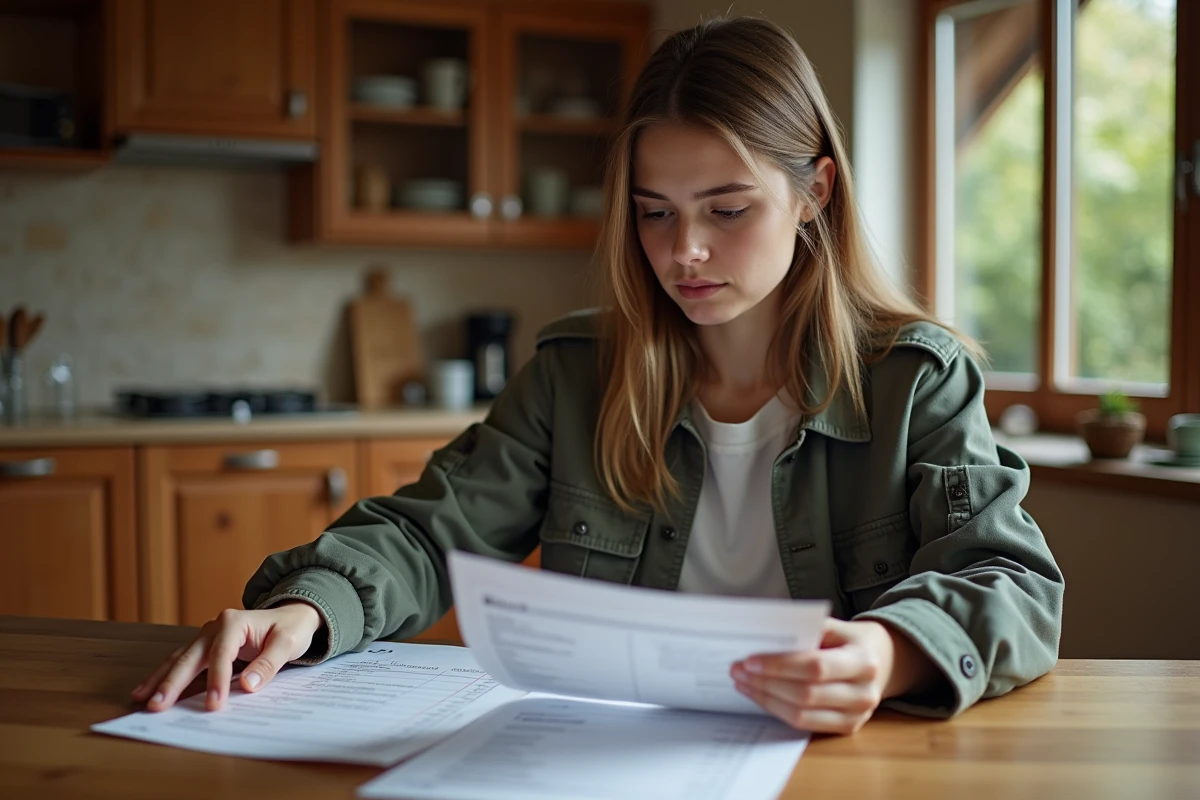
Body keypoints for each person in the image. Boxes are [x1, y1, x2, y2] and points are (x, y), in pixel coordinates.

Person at [133, 16, 1063, 736]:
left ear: (814, 192)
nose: (684, 251)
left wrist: (894, 650)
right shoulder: (575, 374)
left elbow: (1011, 580)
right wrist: (307, 609)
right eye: (654, 213)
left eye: (726, 209)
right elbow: (428, 534)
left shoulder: (915, 381)